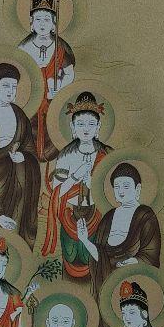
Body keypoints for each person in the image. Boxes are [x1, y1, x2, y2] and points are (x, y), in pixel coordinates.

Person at [81, 163, 162, 327]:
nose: (121, 191)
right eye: (117, 187)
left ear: (137, 188)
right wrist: (85, 241)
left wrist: (134, 262)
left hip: (133, 282)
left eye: (126, 186)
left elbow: (151, 253)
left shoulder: (145, 215)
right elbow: (100, 257)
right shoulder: (108, 217)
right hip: (105, 282)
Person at [41, 92, 112, 279]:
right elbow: (57, 193)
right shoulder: (66, 155)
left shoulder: (107, 155)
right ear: (72, 127)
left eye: (91, 124)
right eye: (80, 124)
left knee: (98, 263)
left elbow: (113, 191)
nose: (86, 129)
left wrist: (93, 184)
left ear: (98, 127)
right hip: (70, 216)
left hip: (99, 215)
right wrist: (75, 177)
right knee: (71, 259)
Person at [0, 63, 41, 249]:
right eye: (6, 86)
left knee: (12, 231)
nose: (10, 91)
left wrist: (23, 158)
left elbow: (31, 154)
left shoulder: (20, 116)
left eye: (14, 87)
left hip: (16, 184)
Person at [16, 0, 75, 161]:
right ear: (31, 22)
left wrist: (60, 88)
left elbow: (69, 74)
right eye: (38, 19)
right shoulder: (23, 48)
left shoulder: (60, 47)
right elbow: (18, 75)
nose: (42, 24)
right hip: (31, 101)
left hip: (53, 101)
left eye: (47, 19)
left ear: (54, 23)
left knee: (55, 132)